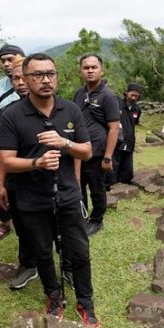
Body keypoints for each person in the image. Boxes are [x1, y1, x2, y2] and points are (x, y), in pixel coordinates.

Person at [0, 53, 99, 327]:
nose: (45, 80)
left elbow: (87, 152)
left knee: (78, 251)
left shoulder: (71, 110)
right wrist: (36, 162)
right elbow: (6, 159)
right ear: (25, 79)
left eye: (50, 74)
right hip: (31, 198)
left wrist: (64, 143)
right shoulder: (12, 115)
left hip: (66, 195)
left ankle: (85, 301)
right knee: (42, 252)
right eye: (38, 75)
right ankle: (53, 295)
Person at [0, 57, 39, 290]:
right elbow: (1, 153)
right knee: (23, 227)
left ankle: (63, 266)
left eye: (24, 77)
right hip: (17, 183)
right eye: (15, 78)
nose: (20, 83)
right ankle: (28, 265)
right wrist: (0, 185)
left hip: (46, 182)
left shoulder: (55, 108)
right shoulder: (9, 113)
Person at [72, 54, 120, 236]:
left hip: (98, 152)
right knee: (78, 185)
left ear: (102, 70)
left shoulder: (108, 96)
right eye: (86, 68)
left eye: (94, 67)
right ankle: (81, 217)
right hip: (78, 150)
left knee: (96, 187)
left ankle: (97, 220)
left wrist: (108, 156)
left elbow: (114, 128)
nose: (90, 71)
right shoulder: (78, 94)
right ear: (80, 71)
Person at [0, 44, 25, 241]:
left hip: (26, 146)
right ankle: (5, 222)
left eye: (11, 59)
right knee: (0, 183)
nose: (7, 64)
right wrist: (4, 134)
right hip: (0, 143)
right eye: (3, 60)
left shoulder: (30, 84)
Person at [112, 82, 143, 184]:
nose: (134, 98)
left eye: (136, 96)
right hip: (117, 139)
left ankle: (124, 183)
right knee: (115, 163)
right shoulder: (117, 104)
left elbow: (135, 123)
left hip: (130, 140)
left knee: (128, 167)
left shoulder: (137, 109)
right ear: (126, 93)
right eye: (132, 95)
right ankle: (111, 184)